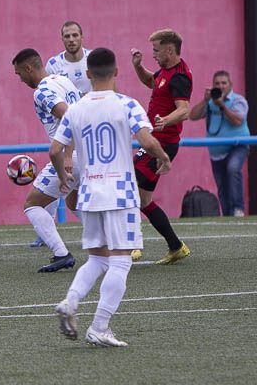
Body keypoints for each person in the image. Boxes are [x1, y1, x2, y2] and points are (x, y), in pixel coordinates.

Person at [51, 48, 171, 347]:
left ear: (88, 74)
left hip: (90, 194)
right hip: (120, 194)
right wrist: (163, 157)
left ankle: (70, 301)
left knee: (97, 259)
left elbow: (55, 150)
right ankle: (99, 327)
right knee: (120, 262)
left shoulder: (75, 109)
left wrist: (64, 175)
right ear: (117, 72)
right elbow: (146, 139)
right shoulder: (126, 104)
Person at [12, 49, 81, 272]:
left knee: (32, 205)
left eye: (19, 74)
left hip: (71, 155)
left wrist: (68, 155)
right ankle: (110, 244)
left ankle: (61, 254)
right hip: (88, 153)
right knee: (74, 202)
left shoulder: (41, 91)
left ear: (28, 68)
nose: (20, 79)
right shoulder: (63, 81)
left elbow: (69, 116)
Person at [129, 29, 193, 264]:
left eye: (156, 50)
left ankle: (131, 245)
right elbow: (151, 81)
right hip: (155, 141)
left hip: (161, 144)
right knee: (144, 200)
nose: (153, 54)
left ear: (169, 49)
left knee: (129, 184)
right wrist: (138, 65)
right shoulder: (166, 72)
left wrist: (166, 119)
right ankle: (176, 247)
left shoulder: (179, 76)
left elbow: (184, 109)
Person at [189, 70, 250, 216]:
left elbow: (237, 121)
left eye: (224, 83)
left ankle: (238, 209)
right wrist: (205, 101)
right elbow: (192, 116)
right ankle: (228, 215)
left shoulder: (238, 100)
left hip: (238, 146)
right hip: (216, 151)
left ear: (231, 85)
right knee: (222, 185)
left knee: (233, 168)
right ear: (212, 86)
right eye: (217, 83)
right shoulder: (210, 103)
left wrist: (222, 105)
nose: (221, 86)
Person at [45, 21, 92, 95]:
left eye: (75, 35)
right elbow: (49, 95)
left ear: (82, 37)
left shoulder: (94, 58)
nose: (71, 40)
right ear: (62, 39)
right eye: (67, 36)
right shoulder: (53, 65)